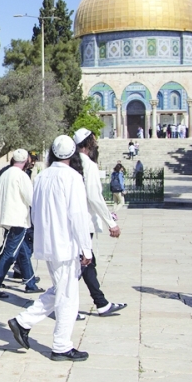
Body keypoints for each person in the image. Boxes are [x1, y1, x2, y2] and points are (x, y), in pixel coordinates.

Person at [7, 135, 92, 362]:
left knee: (61, 289)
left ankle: (23, 322)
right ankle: (61, 346)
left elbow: (35, 210)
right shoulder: (73, 177)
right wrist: (86, 247)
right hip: (65, 244)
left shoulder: (42, 176)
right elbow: (78, 215)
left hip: (49, 242)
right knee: (68, 297)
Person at [73, 129, 126, 317]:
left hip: (71, 222)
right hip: (83, 223)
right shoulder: (88, 165)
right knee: (79, 266)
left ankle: (101, 303)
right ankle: (62, 306)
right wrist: (111, 223)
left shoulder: (69, 164)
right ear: (88, 144)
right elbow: (95, 198)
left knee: (85, 264)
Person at [0, 149, 41, 298]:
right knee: (10, 254)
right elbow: (32, 199)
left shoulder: (5, 174)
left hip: (7, 220)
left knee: (20, 251)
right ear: (26, 160)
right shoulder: (21, 176)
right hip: (18, 220)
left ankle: (30, 283)